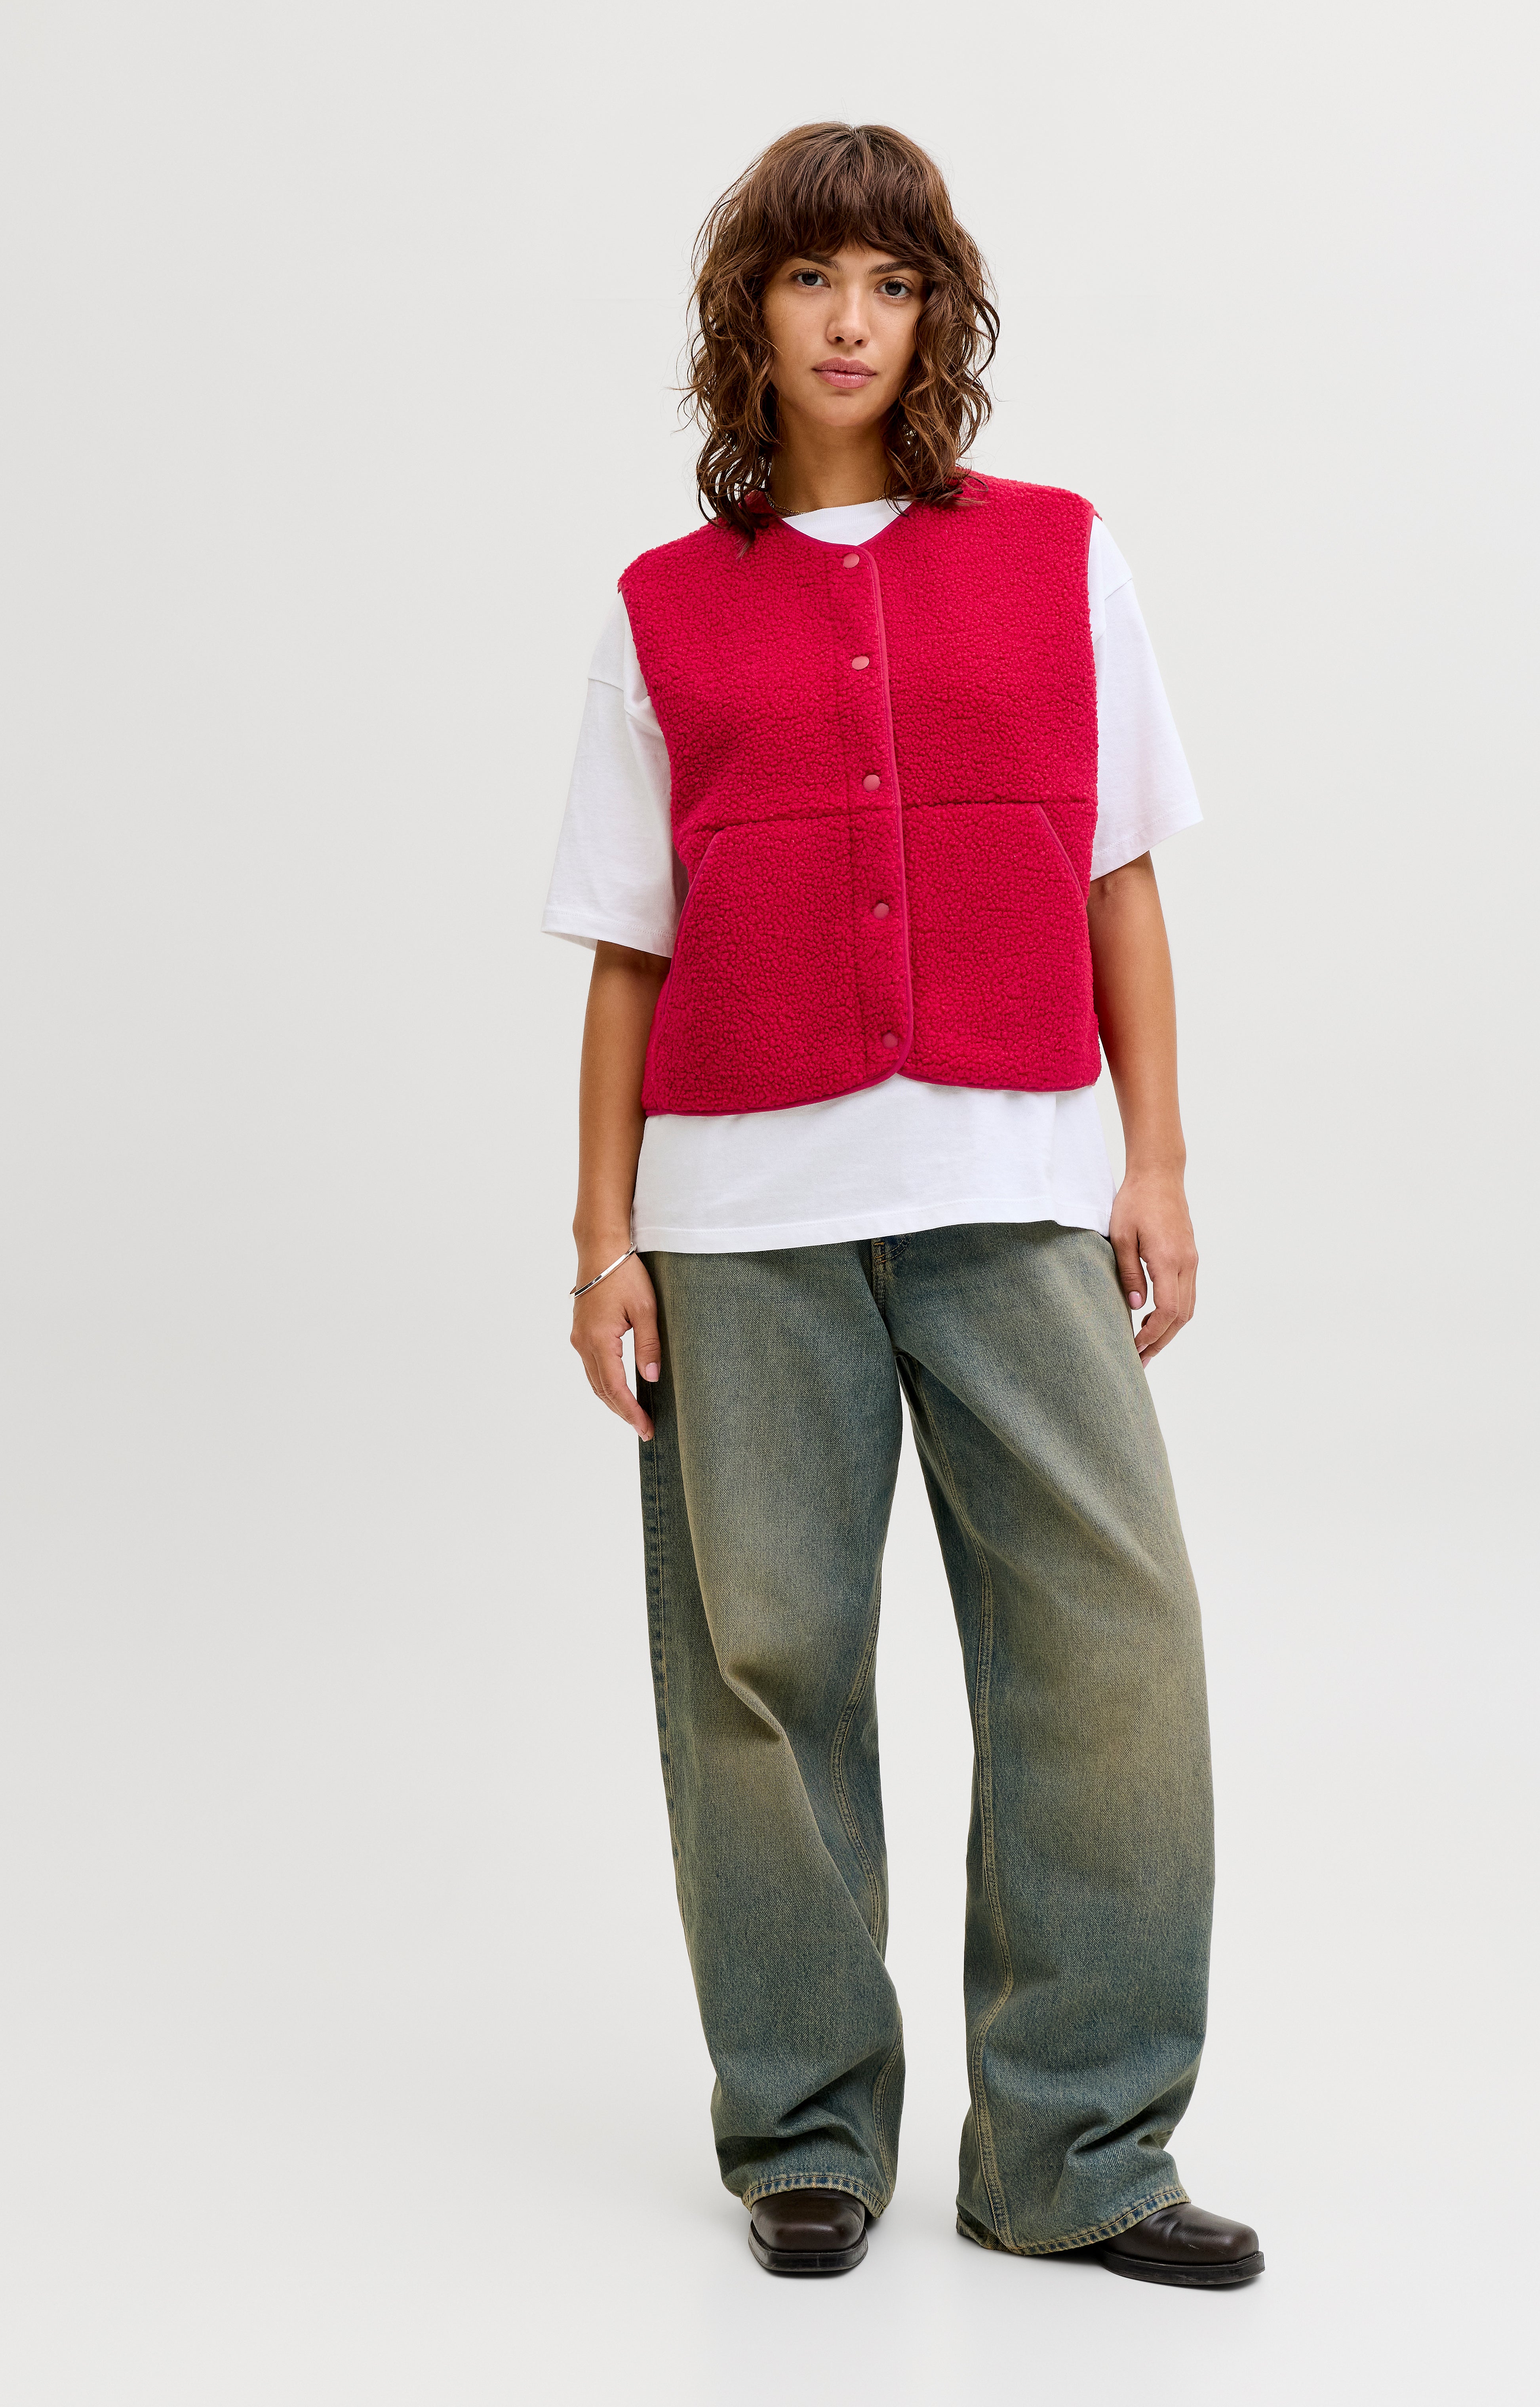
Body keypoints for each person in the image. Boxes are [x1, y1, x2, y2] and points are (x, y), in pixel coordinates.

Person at [543, 121, 1262, 2289]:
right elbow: (629, 949)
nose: (850, 319)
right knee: (764, 1669)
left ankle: (1079, 2150)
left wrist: (1155, 1159)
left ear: (937, 316)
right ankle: (807, 2134)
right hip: (737, 1216)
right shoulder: (664, 611)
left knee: (1110, 1645)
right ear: (747, 318)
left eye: (890, 280)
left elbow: (1121, 877)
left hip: (1015, 1184)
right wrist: (601, 1240)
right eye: (808, 280)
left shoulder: (1058, 559)